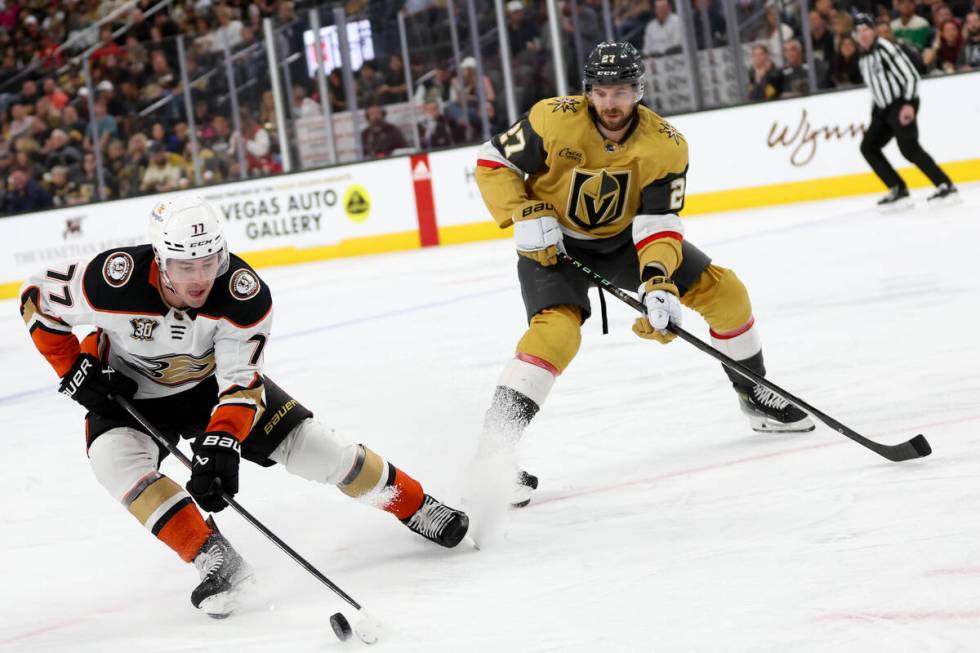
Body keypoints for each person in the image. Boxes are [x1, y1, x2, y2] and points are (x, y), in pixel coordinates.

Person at [18, 197, 469, 617]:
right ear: (159, 258)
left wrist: (222, 444)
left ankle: (415, 504)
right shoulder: (112, 279)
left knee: (316, 450)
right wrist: (72, 366)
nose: (198, 278)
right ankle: (212, 555)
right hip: (126, 389)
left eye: (209, 262)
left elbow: (239, 384)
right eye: (184, 265)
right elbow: (35, 298)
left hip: (210, 388)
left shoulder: (242, 294)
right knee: (114, 464)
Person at [471, 42, 814, 508]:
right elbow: (494, 162)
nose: (611, 104)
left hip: (625, 241)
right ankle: (492, 455)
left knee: (726, 292)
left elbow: (659, 222)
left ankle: (754, 393)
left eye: (622, 91)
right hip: (553, 243)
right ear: (587, 91)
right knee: (555, 335)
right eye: (602, 92)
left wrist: (658, 282)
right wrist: (523, 213)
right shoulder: (552, 118)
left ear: (639, 91)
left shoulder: (665, 145)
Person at [854, 14, 958, 207]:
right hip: (883, 109)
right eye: (859, 31)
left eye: (866, 30)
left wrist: (908, 104)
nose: (863, 35)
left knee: (909, 148)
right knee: (868, 146)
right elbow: (876, 88)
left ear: (874, 30)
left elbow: (911, 76)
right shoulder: (863, 58)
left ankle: (944, 184)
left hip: (901, 102)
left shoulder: (886, 48)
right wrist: (875, 115)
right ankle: (897, 187)